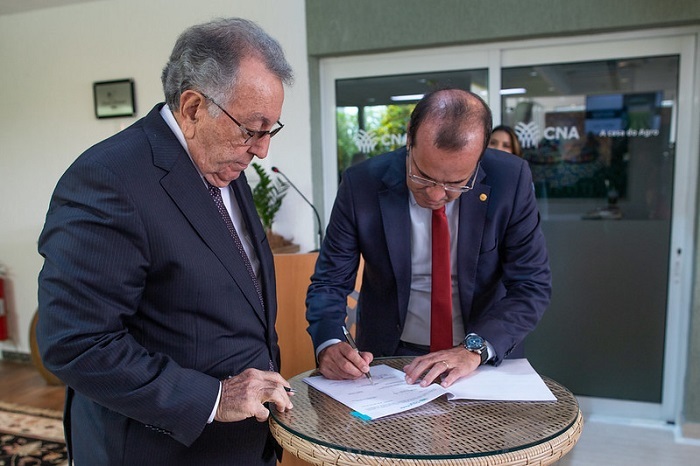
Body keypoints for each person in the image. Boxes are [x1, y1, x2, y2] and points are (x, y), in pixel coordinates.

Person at [37, 18, 294, 466]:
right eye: (252, 129)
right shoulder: (109, 179)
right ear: (194, 108)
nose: (262, 150)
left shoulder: (224, 166)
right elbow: (75, 342)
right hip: (160, 450)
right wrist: (214, 398)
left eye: (270, 130)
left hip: (241, 445)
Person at [306, 89, 550, 389]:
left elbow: (531, 286)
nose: (436, 195)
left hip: (480, 360)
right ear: (410, 137)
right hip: (389, 360)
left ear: (480, 154)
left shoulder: (511, 180)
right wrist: (329, 342)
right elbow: (330, 281)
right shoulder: (362, 184)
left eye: (455, 185)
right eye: (422, 176)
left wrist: (474, 350)